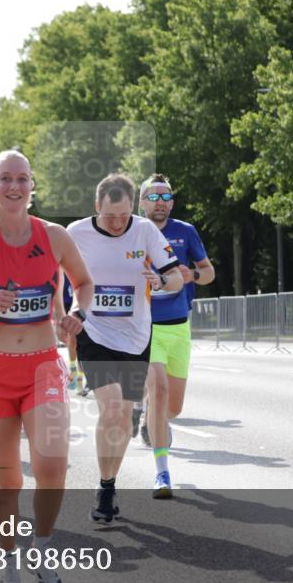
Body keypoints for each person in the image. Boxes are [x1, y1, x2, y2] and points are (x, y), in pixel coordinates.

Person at [0, 149, 92, 583]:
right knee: (6, 480)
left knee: (53, 466)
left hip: (45, 364)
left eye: (22, 179)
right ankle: (8, 563)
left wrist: (77, 314)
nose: (14, 186)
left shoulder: (55, 236)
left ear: (32, 187)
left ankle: (42, 551)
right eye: (5, 179)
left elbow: (84, 284)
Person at [68, 173, 183, 511]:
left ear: (132, 208)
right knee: (114, 408)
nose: (118, 223)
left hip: (135, 337)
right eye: (109, 216)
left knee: (121, 418)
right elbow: (51, 276)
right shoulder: (76, 233)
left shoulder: (145, 230)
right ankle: (104, 492)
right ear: (96, 207)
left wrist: (161, 281)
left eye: (123, 215)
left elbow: (177, 277)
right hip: (95, 332)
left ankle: (109, 482)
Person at [136, 174, 215, 458]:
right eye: (153, 197)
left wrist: (192, 274)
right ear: (142, 202)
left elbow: (208, 272)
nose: (160, 202)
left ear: (172, 203)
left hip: (179, 324)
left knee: (174, 407)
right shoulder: (132, 231)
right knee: (158, 386)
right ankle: (162, 465)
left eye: (165, 197)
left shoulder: (186, 231)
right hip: (145, 326)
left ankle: (151, 414)